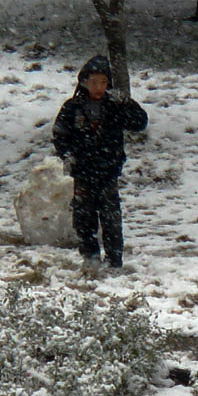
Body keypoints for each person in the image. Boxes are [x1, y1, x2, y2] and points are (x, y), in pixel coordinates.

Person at [52, 55, 148, 269]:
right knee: (83, 215)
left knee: (111, 217)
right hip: (83, 171)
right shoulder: (73, 107)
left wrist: (127, 103)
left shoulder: (115, 106)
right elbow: (60, 134)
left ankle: (114, 259)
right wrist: (67, 155)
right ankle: (90, 254)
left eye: (103, 82)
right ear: (85, 82)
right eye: (94, 82)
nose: (99, 87)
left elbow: (140, 123)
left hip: (108, 170)